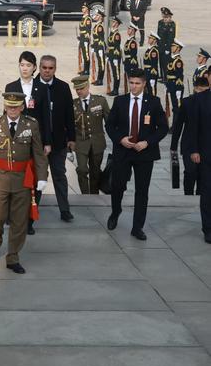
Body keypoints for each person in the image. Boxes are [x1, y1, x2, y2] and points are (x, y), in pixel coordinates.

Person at [0, 91, 48, 273]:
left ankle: (13, 256)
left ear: (22, 107)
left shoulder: (31, 124)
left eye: (16, 106)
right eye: (9, 106)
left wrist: (42, 177)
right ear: (4, 106)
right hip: (0, 178)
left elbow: (38, 154)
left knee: (19, 222)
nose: (12, 109)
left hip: (22, 181)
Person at [106, 67, 168, 239]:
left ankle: (137, 227)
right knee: (117, 185)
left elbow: (163, 127)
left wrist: (147, 142)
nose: (134, 87)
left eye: (137, 83)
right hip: (123, 151)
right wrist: (120, 139)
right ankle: (115, 211)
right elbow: (110, 125)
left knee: (142, 190)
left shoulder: (154, 102)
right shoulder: (120, 101)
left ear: (144, 84)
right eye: (131, 83)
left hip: (144, 153)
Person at [35, 55, 76, 224]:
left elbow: (69, 115)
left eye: (50, 68)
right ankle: (32, 210)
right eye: (44, 67)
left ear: (55, 69)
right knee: (38, 179)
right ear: (39, 67)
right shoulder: (33, 87)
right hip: (38, 144)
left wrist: (71, 138)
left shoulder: (63, 87)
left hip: (58, 142)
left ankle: (64, 210)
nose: (47, 71)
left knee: (59, 175)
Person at [5, 51, 51, 154]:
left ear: (34, 67)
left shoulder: (42, 87)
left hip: (36, 137)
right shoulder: (11, 87)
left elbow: (46, 115)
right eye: (22, 65)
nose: (25, 68)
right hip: (16, 136)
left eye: (28, 65)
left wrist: (47, 142)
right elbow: (6, 113)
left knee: (37, 168)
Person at [171, 74, 209, 196]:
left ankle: (200, 194)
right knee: (190, 170)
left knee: (201, 173)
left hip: (204, 144)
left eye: (205, 91)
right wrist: (173, 146)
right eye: (200, 90)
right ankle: (188, 193)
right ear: (195, 88)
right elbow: (178, 125)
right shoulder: (187, 102)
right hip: (188, 143)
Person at [71, 75, 109, 194]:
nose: (79, 91)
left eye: (81, 88)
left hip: (97, 142)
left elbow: (109, 121)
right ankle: (85, 195)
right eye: (77, 89)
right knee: (82, 169)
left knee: (95, 171)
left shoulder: (100, 101)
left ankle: (94, 195)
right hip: (80, 142)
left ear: (87, 86)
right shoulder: (73, 104)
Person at [186, 84, 211, 242]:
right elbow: (193, 127)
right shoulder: (201, 99)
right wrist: (194, 150)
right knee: (207, 192)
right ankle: (208, 228)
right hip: (206, 154)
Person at [165, 40, 185, 118]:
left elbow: (179, 75)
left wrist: (179, 89)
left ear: (178, 48)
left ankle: (176, 127)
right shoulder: (172, 59)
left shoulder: (178, 61)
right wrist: (167, 85)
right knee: (174, 107)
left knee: (177, 108)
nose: (171, 48)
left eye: (173, 46)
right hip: (171, 85)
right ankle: (174, 126)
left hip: (176, 86)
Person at [156, 6, 176, 81]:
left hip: (166, 47)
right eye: (164, 17)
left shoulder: (172, 25)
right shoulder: (160, 22)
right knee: (161, 62)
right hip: (160, 46)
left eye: (167, 17)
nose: (165, 19)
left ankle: (166, 77)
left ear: (170, 17)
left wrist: (168, 48)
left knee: (166, 63)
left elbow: (171, 38)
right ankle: (162, 75)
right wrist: (157, 43)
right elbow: (158, 34)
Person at [106, 17, 122, 96]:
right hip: (111, 54)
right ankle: (114, 89)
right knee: (114, 73)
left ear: (117, 24)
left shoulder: (116, 34)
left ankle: (116, 90)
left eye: (114, 22)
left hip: (115, 56)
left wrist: (115, 57)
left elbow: (116, 47)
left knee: (116, 74)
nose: (113, 23)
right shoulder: (112, 33)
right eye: (113, 22)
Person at [90, 8, 106, 86]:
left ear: (100, 17)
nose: (95, 16)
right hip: (97, 46)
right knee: (99, 63)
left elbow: (101, 38)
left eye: (97, 15)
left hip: (100, 47)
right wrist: (93, 45)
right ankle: (98, 79)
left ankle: (100, 80)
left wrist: (99, 47)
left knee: (101, 64)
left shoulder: (100, 27)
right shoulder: (97, 25)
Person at [143, 32, 160, 97]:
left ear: (155, 40)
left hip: (151, 72)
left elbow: (154, 64)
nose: (149, 39)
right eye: (149, 38)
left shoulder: (153, 51)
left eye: (151, 38)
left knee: (151, 90)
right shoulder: (149, 49)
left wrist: (153, 75)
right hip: (147, 72)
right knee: (147, 89)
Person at [76, 5, 92, 76]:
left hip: (85, 38)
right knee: (83, 54)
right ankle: (84, 69)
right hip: (82, 38)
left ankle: (87, 70)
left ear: (87, 9)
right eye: (82, 8)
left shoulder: (88, 19)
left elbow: (88, 30)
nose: (82, 9)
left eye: (84, 8)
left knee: (86, 55)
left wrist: (86, 39)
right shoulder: (83, 18)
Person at [123, 24, 139, 93]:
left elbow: (133, 54)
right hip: (127, 61)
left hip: (131, 62)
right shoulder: (129, 40)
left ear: (133, 31)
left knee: (132, 79)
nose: (127, 30)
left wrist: (131, 63)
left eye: (129, 29)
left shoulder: (132, 42)